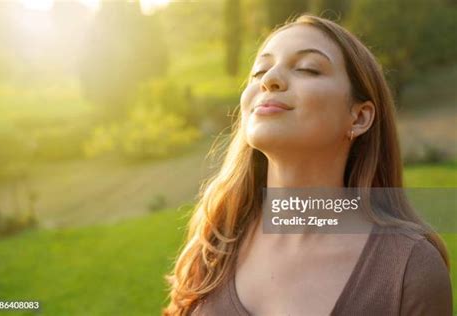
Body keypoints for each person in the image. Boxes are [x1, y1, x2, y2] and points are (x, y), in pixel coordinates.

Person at [163, 14, 452, 316]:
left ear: (359, 117)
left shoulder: (408, 270)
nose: (269, 79)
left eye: (307, 69)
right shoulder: (215, 241)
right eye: (259, 70)